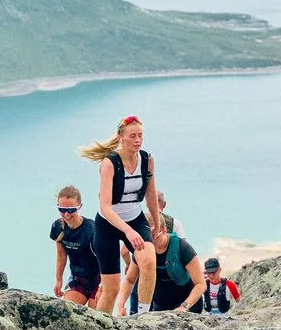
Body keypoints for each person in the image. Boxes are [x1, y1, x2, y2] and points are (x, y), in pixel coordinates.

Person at [80, 115, 162, 314]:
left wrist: (157, 223)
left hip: (135, 218)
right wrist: (128, 232)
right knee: (111, 289)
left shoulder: (146, 160)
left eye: (140, 136)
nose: (137, 140)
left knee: (149, 262)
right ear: (121, 138)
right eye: (132, 136)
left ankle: (142, 315)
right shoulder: (110, 164)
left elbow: (151, 194)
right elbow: (106, 207)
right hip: (108, 224)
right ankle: (100, 325)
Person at [50, 186, 105, 309]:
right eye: (62, 209)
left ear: (80, 206)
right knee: (67, 310)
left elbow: (105, 259)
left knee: (94, 313)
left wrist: (103, 287)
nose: (66, 214)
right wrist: (59, 280)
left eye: (71, 210)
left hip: (99, 279)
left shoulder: (91, 230)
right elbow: (61, 255)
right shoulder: (57, 227)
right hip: (79, 279)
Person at [147, 216, 207, 313]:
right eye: (150, 238)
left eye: (156, 237)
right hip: (161, 305)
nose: (153, 241)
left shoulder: (183, 248)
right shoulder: (145, 249)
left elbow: (201, 284)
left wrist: (184, 306)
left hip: (188, 304)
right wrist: (121, 305)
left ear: (164, 230)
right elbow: (130, 280)